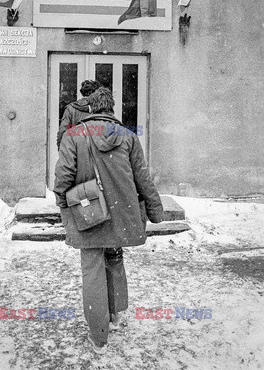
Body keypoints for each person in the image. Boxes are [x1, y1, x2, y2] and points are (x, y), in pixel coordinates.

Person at [53, 87, 182, 354]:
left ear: (90, 108)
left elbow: (64, 177)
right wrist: (155, 210)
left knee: (92, 270)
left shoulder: (73, 135)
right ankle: (114, 315)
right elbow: (142, 178)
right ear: (112, 108)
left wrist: (64, 205)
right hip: (120, 213)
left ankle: (98, 335)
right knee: (114, 260)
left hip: (88, 214)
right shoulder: (128, 136)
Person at [56, 80, 100, 150]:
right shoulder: (99, 108)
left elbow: (63, 131)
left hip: (76, 149)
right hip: (95, 151)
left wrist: (60, 148)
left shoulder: (71, 108)